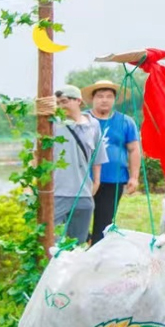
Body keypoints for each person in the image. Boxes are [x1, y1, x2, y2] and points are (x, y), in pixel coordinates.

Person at [83, 80, 142, 243]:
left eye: (109, 96)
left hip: (113, 179)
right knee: (79, 219)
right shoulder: (83, 120)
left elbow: (134, 149)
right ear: (93, 99)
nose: (104, 100)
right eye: (100, 96)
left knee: (104, 221)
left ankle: (96, 256)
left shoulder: (125, 121)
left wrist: (134, 177)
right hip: (84, 179)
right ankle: (77, 250)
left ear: (114, 100)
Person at [52, 84, 107, 244]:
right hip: (57, 192)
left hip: (83, 192)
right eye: (58, 103)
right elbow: (37, 156)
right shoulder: (52, 124)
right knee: (51, 243)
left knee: (77, 242)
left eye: (64, 101)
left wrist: (96, 181)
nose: (61, 106)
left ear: (78, 101)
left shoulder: (93, 125)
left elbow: (97, 155)